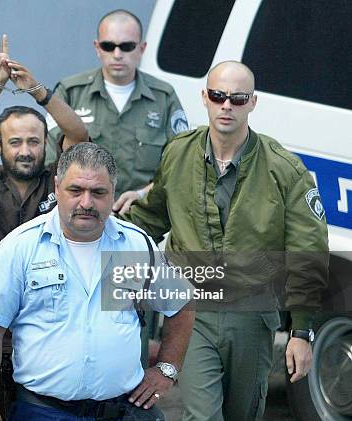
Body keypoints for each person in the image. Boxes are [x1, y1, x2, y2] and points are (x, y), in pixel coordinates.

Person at [124, 61, 329, 420]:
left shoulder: (284, 169)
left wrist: (302, 332)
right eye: (218, 96)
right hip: (191, 313)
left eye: (237, 98)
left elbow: (307, 251)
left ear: (253, 103)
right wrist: (102, 235)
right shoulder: (178, 153)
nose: (226, 106)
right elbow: (151, 218)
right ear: (204, 97)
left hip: (252, 316)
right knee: (201, 415)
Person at [0, 142, 195, 421]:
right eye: (76, 190)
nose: (86, 203)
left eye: (98, 192)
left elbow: (182, 306)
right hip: (42, 412)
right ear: (57, 188)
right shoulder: (21, 246)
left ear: (113, 194)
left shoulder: (136, 245)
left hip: (122, 411)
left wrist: (166, 369)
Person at [0, 33, 88, 420]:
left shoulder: (60, 184)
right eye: (15, 142)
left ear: (47, 144)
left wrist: (38, 92)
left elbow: (78, 135)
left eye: (33, 141)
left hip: (50, 335)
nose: (25, 150)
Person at [46, 9, 189, 215]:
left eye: (127, 46)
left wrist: (143, 194)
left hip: (139, 214)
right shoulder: (70, 92)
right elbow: (50, 159)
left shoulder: (164, 97)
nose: (117, 54)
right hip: (81, 213)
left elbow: (180, 162)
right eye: (108, 46)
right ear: (97, 48)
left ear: (142, 48)